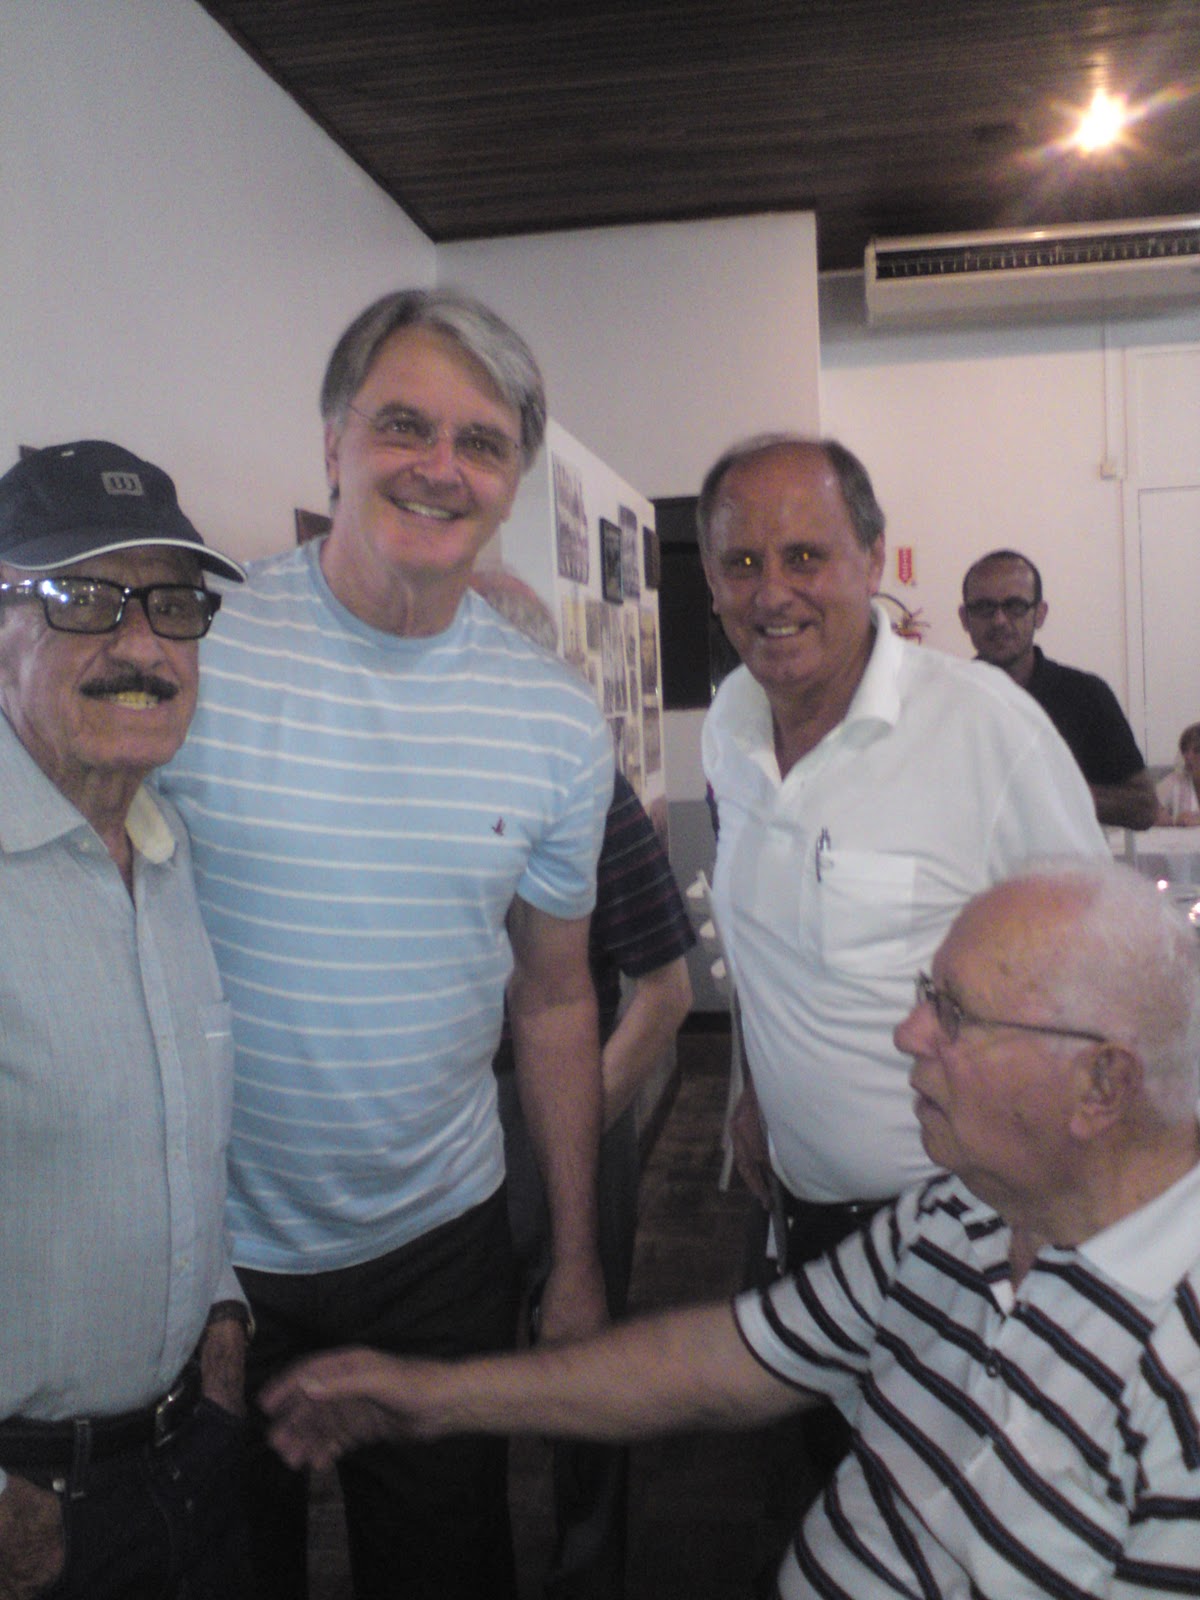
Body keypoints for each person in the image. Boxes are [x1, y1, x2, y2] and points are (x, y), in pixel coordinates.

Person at [262, 858, 1200, 1599]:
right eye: (926, 992)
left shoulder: (1178, 1375)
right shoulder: (963, 1214)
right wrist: (432, 1398)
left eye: (953, 1013)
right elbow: (726, 1362)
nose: (908, 1032)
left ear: (1102, 1085)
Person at [160, 289, 614, 1600]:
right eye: (405, 425)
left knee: (449, 1571)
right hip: (208, 1254)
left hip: (441, 1248)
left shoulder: (552, 721)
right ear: (333, 445)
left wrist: (576, 1255)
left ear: (513, 480)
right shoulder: (200, 655)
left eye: (482, 442)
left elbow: (555, 1000)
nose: (440, 466)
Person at [696, 435, 1108, 1518]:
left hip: (966, 1234)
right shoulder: (730, 727)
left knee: (964, 1516)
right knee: (839, 1488)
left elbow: (1099, 977)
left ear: (872, 558)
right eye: (742, 562)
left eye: (805, 555)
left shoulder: (985, 730)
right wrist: (754, 1088)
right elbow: (767, 940)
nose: (772, 593)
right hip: (800, 1216)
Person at [0, 439, 252, 1600]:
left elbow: (173, 1123)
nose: (142, 646)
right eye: (85, 597)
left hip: (186, 1453)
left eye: (173, 604)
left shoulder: (165, 849)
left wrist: (220, 1308)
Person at [473, 565, 695, 1600]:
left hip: (562, 1102)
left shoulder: (585, 787)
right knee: (460, 1372)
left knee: (583, 1355)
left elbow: (664, 993)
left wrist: (570, 1122)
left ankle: (589, 1567)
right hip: (446, 1130)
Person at [959, 547, 1157, 830]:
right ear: (965, 618)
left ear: (1040, 614)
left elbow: (1144, 808)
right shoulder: (944, 700)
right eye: (984, 608)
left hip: (1062, 859)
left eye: (1015, 606)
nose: (999, 620)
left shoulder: (1086, 695)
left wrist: (1047, 789)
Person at [1155, 720, 1200, 825]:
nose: (1188, 757)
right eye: (1185, 750)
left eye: (1197, 750)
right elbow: (1143, 810)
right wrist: (1171, 820)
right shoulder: (1174, 781)